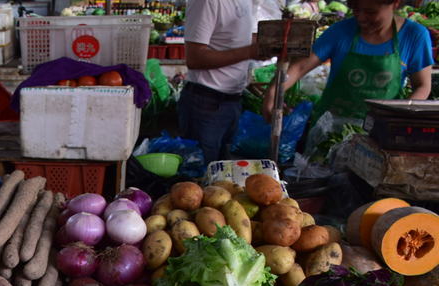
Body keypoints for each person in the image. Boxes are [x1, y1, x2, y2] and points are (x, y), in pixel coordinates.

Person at [262, 0, 433, 124]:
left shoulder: (414, 36)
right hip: (329, 128)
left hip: (378, 130)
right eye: (356, 9)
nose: (361, 18)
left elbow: (422, 85)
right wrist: (273, 91)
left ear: (395, 4)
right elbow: (299, 67)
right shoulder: (341, 31)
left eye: (371, 12)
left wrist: (400, 118)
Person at [179, 0, 259, 165]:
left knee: (223, 176)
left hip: (232, 101)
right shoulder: (207, 2)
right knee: (200, 176)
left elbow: (239, 38)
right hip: (206, 103)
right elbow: (195, 58)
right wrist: (250, 52)